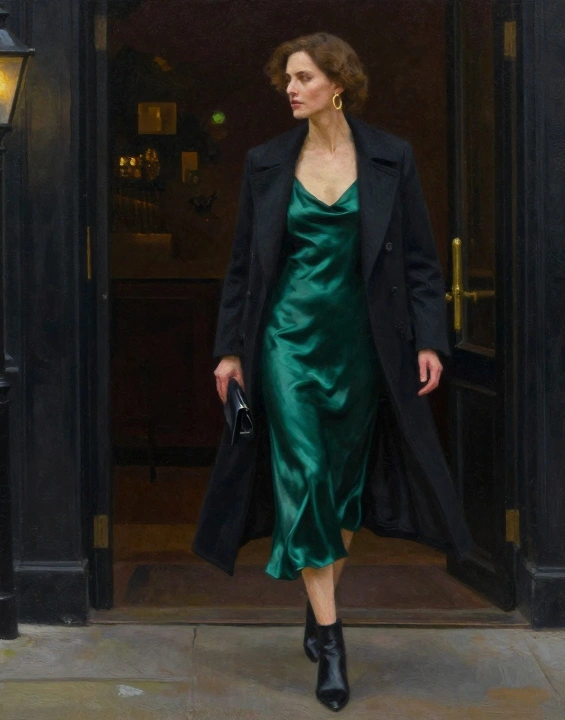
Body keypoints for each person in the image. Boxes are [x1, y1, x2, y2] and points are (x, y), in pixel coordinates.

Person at [192, 31, 475, 712]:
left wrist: (429, 341)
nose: (290, 88)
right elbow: (241, 266)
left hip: (366, 347)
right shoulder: (266, 163)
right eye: (286, 78)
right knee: (308, 475)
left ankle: (316, 610)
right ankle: (332, 636)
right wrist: (230, 349)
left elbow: (419, 262)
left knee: (344, 490)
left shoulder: (389, 158)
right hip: (287, 340)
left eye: (302, 77)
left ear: (337, 83)